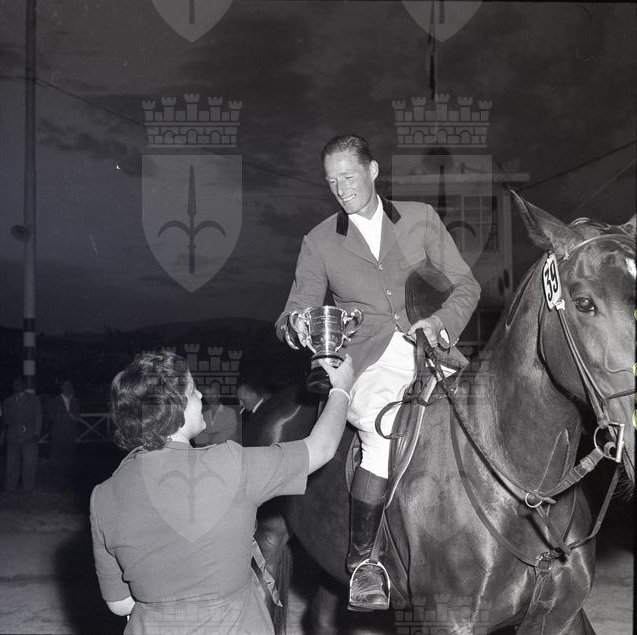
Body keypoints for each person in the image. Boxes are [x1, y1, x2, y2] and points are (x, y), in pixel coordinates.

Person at [276, 134, 480, 610]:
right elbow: (291, 312)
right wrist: (298, 325)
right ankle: (364, 562)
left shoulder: (421, 218)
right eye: (331, 181)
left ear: (372, 171)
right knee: (382, 435)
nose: (341, 188)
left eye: (348, 176)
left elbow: (466, 285)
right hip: (365, 361)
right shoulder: (318, 241)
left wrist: (440, 323)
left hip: (433, 349)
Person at [90, 350, 354, 634]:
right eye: (193, 391)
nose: (200, 396)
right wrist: (341, 389)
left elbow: (119, 604)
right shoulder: (229, 464)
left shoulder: (103, 496)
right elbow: (321, 448)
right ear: (176, 407)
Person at [3, 378, 43, 492]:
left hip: (30, 436)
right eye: (15, 384)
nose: (17, 386)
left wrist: (36, 433)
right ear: (12, 386)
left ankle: (28, 488)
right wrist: (14, 427)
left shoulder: (34, 399)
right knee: (11, 463)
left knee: (29, 463)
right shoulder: (7, 401)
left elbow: (38, 416)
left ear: (24, 386)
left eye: (20, 384)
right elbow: (6, 419)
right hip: (13, 436)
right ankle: (10, 487)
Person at [193, 382, 241, 446]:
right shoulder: (203, 415)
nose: (210, 397)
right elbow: (197, 439)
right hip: (207, 450)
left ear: (219, 395)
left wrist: (207, 437)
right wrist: (216, 435)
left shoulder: (230, 412)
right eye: (207, 394)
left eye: (213, 394)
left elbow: (229, 435)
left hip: (224, 449)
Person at [48, 380, 81, 468]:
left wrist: (70, 415)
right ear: (61, 387)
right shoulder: (54, 400)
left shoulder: (75, 401)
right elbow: (49, 416)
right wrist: (56, 416)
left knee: (69, 458)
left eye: (69, 385)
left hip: (71, 432)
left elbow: (77, 418)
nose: (68, 387)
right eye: (65, 385)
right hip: (57, 432)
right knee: (56, 458)